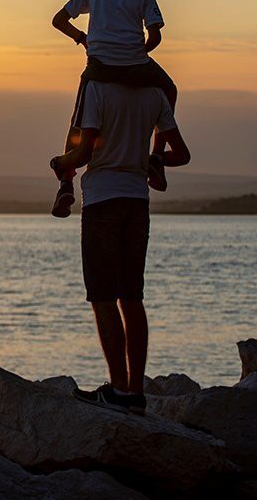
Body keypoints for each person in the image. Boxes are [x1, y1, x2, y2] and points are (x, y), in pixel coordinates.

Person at [49, 80, 190, 413]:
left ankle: (117, 389)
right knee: (131, 296)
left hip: (102, 200)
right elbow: (182, 155)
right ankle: (135, 392)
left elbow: (83, 153)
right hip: (137, 201)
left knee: (102, 296)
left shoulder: (96, 89)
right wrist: (151, 157)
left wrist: (61, 163)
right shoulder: (155, 93)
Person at [50, 0, 178, 218]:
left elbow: (58, 20)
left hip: (99, 68)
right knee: (169, 90)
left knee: (77, 123)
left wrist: (82, 38)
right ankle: (157, 155)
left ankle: (66, 183)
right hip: (135, 65)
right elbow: (156, 35)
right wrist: (140, 51)